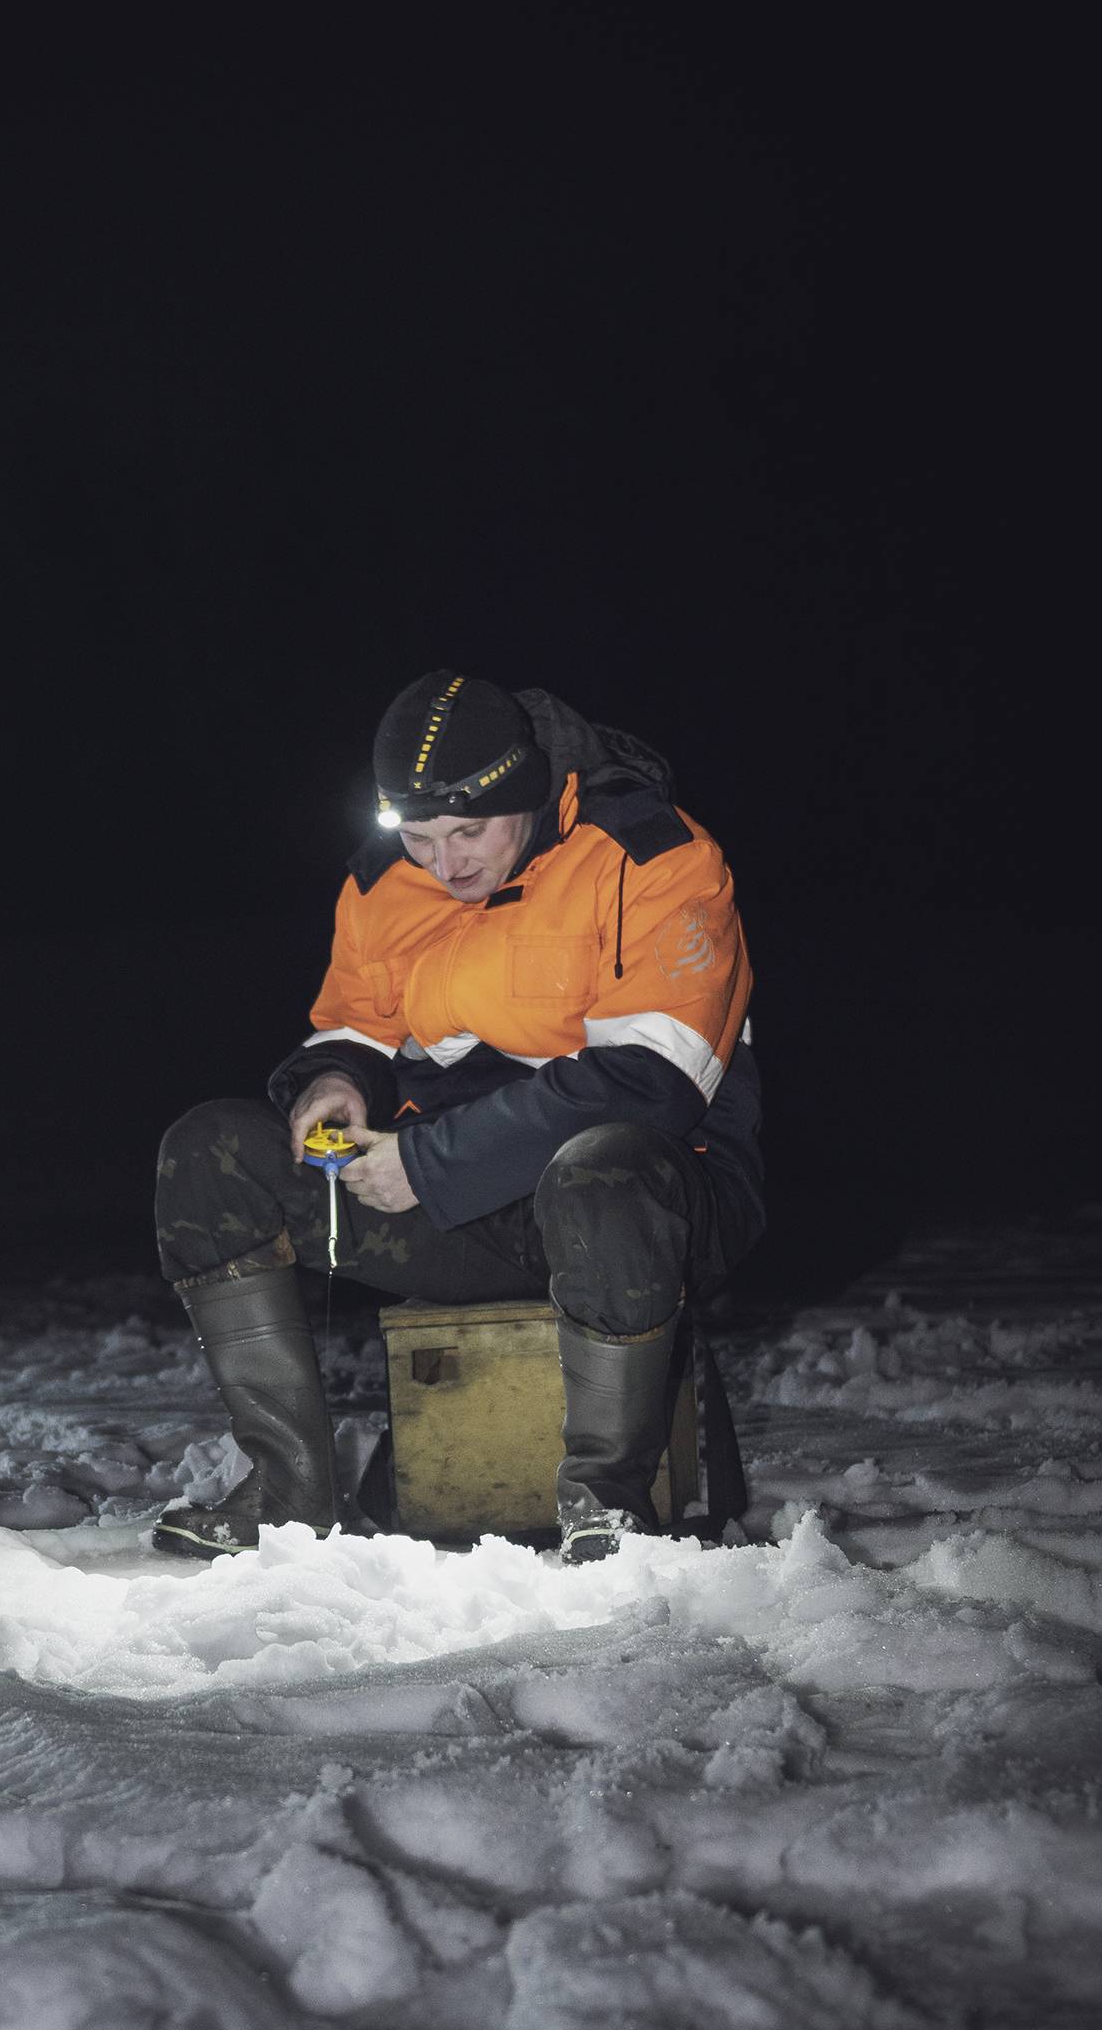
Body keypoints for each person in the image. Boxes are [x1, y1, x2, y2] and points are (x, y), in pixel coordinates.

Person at [153, 670, 763, 1563]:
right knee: (210, 1151)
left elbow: (652, 1082)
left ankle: (605, 1505)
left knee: (601, 1162)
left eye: (470, 831)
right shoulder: (381, 883)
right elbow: (351, 1027)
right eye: (421, 836)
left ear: (527, 793)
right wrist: (335, 1083)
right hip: (459, 1211)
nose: (446, 863)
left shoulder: (652, 857)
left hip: (653, 1208)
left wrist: (429, 1162)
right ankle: (287, 1504)